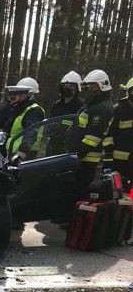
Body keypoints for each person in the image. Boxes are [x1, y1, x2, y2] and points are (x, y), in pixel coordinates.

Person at [76, 69, 115, 199]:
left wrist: (80, 151)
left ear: (101, 86)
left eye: (92, 87)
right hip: (83, 154)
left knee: (84, 188)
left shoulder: (103, 108)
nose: (89, 90)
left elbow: (95, 134)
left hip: (89, 156)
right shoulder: (93, 104)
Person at [0, 77, 45, 161]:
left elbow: (31, 134)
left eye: (14, 98)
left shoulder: (34, 111)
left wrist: (20, 155)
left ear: (23, 96)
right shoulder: (20, 109)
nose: (11, 101)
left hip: (25, 156)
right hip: (12, 153)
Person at [48, 71, 83, 154]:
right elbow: (50, 123)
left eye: (71, 86)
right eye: (65, 86)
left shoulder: (81, 106)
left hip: (70, 148)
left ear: (77, 88)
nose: (67, 88)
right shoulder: (56, 105)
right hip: (52, 145)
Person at [108, 77, 133, 182]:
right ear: (127, 91)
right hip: (119, 163)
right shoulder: (117, 110)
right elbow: (108, 136)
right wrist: (108, 157)